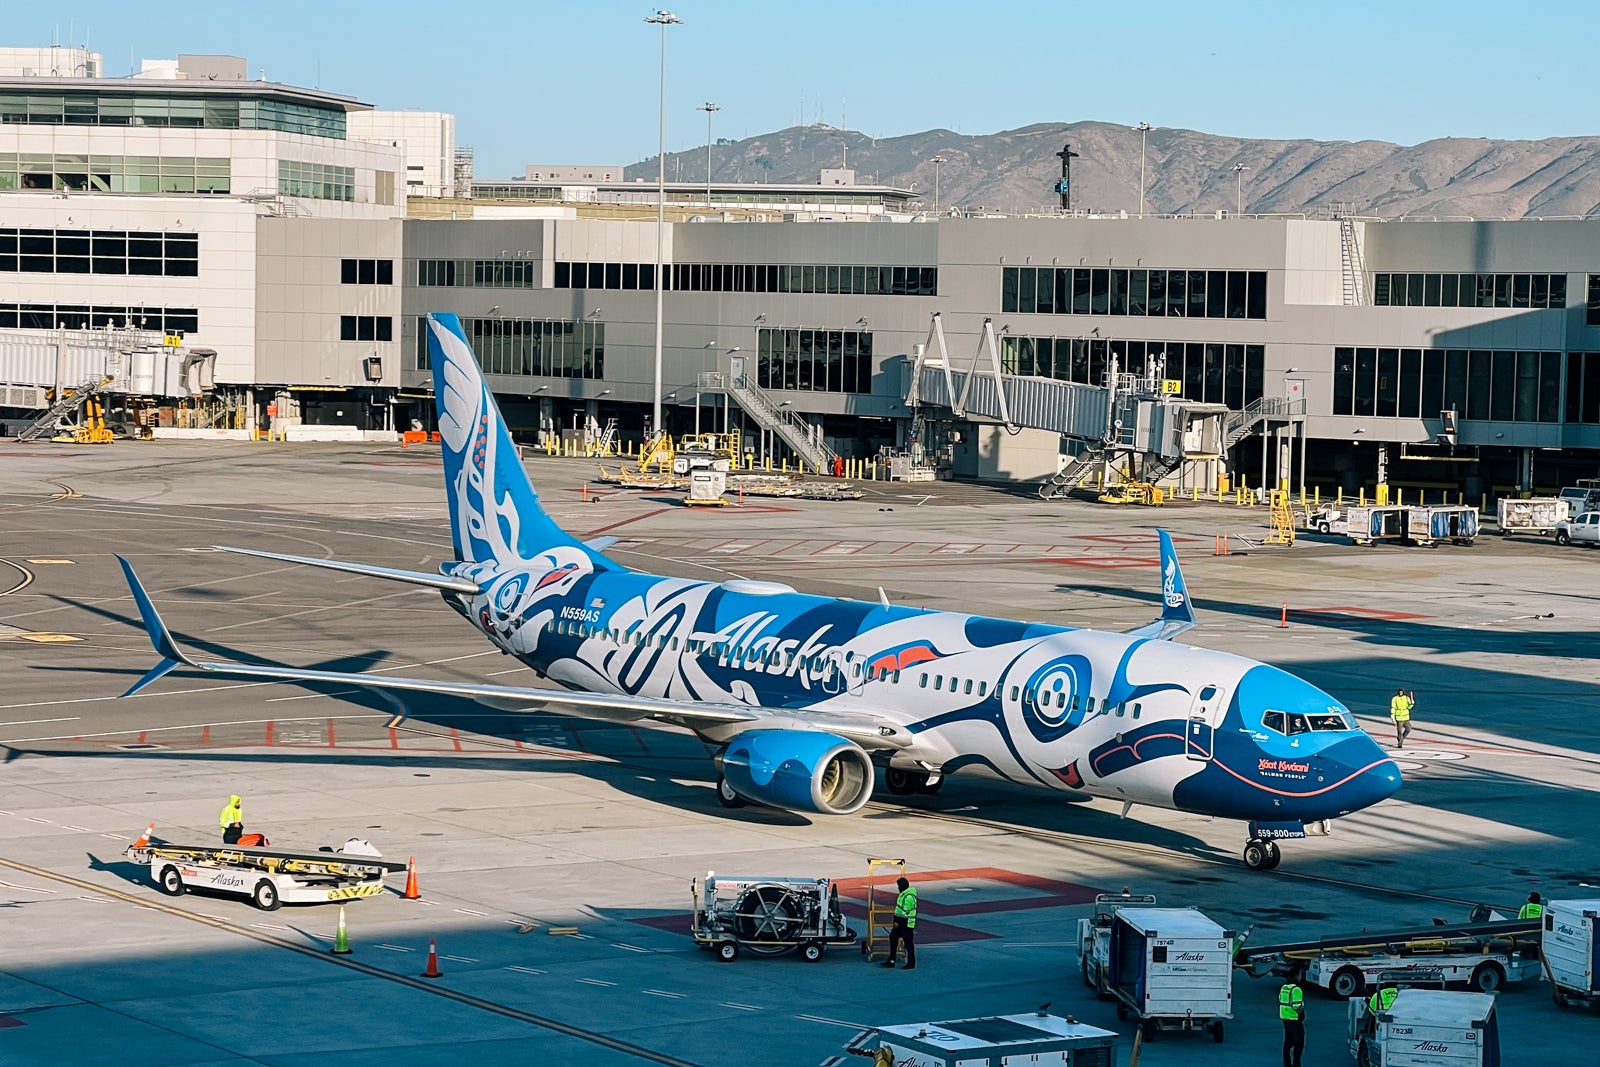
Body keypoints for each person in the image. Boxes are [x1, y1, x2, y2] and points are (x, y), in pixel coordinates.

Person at [882, 876, 917, 970]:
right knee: (893, 938)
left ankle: (911, 963)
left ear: (902, 886)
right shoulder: (903, 895)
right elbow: (899, 911)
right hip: (900, 924)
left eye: (899, 886)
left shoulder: (908, 897)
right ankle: (891, 960)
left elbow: (905, 913)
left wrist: (897, 922)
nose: (898, 888)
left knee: (909, 944)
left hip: (906, 924)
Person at [1279, 979, 1305, 1067]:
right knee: (1299, 1042)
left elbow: (1280, 999)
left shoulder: (1284, 987)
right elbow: (1297, 1007)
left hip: (1285, 1018)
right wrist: (1302, 1015)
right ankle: (1296, 1063)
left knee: (1288, 1042)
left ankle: (1287, 1064)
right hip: (1294, 1019)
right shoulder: (1296, 989)